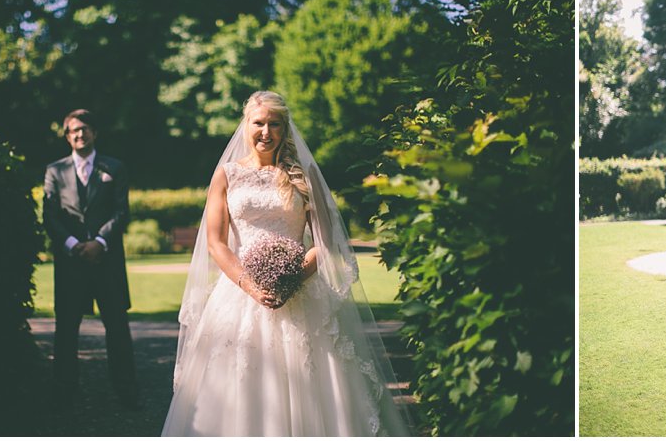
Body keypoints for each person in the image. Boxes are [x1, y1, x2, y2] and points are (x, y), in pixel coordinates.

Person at [161, 91, 411, 436]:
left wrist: (290, 278)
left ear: (285, 128)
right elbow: (217, 243)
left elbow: (325, 242)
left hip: (302, 291)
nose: (266, 131)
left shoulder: (303, 173)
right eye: (259, 123)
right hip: (239, 294)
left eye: (274, 124)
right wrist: (250, 285)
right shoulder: (227, 175)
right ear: (246, 125)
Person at [42, 109, 140, 409]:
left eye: (84, 129)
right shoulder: (54, 171)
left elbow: (121, 212)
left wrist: (100, 242)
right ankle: (64, 393)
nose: (79, 134)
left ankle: (127, 394)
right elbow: (50, 216)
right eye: (72, 130)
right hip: (71, 263)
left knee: (117, 328)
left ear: (94, 132)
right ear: (67, 136)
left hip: (107, 262)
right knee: (66, 330)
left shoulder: (115, 167)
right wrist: (73, 245)